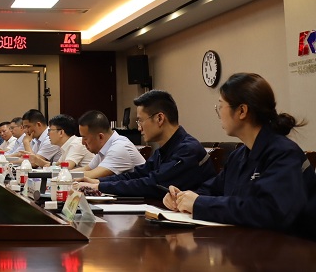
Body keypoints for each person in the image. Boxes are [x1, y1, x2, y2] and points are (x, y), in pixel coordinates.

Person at [164, 73, 316, 233]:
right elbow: (211, 190)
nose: (218, 113)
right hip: (247, 241)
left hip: (290, 245)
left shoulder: (284, 153)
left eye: (220, 106)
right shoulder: (238, 156)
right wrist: (181, 198)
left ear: (242, 111)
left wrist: (199, 204)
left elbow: (268, 211)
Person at [77, 91, 214, 198]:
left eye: (140, 121)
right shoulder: (163, 150)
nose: (139, 128)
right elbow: (138, 174)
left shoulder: (188, 149)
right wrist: (99, 182)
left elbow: (153, 184)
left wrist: (100, 187)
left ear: (159, 118)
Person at [77, 110, 145, 178]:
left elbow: (91, 175)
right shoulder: (104, 149)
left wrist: (70, 175)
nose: (82, 143)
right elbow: (85, 169)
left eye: (85, 138)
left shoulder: (120, 147)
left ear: (100, 137)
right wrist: (70, 173)